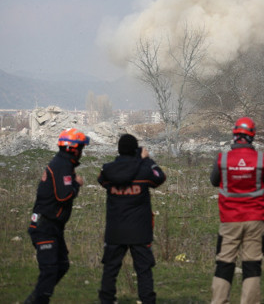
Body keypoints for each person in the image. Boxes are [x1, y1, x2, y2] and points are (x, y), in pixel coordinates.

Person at [209, 117, 264, 304]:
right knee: (252, 264)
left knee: (224, 262)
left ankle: (219, 300)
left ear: (234, 134)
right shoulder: (263, 159)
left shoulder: (222, 159)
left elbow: (214, 181)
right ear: (252, 136)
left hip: (229, 219)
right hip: (255, 219)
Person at [98, 134, 167, 304]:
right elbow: (160, 177)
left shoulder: (108, 170)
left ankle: (106, 300)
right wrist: (147, 160)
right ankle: (147, 300)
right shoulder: (144, 169)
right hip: (139, 231)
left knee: (110, 270)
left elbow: (101, 180)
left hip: (115, 230)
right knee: (143, 271)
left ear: (119, 150)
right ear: (136, 150)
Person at [25, 128, 89, 304]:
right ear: (73, 149)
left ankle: (36, 297)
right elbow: (64, 195)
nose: (82, 152)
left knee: (62, 265)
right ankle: (37, 300)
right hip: (45, 225)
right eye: (81, 148)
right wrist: (76, 185)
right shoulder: (62, 166)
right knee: (50, 270)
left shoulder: (63, 163)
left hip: (53, 226)